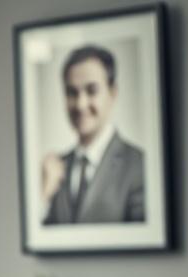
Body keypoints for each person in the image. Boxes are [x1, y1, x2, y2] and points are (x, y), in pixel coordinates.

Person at [41, 44, 145, 225]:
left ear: (113, 93)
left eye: (92, 90)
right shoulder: (56, 169)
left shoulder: (139, 165)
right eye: (72, 92)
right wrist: (43, 196)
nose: (80, 104)